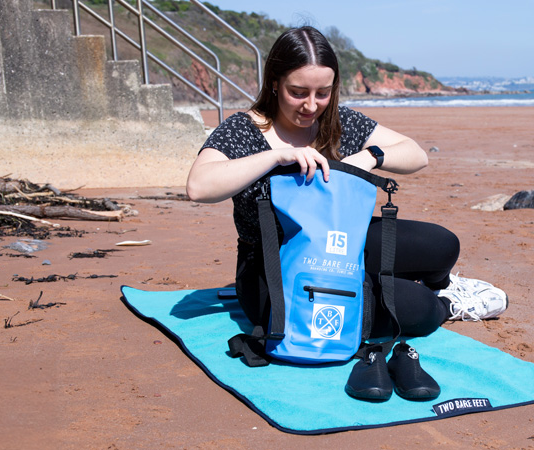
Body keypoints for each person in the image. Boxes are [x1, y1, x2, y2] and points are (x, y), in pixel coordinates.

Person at [186, 26, 507, 339]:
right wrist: (276, 157)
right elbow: (199, 187)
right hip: (274, 266)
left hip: (338, 240)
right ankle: (446, 304)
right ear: (274, 82)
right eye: (297, 92)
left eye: (322, 93)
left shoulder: (336, 122)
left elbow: (416, 154)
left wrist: (370, 156)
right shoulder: (244, 129)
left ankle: (440, 282)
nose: (311, 106)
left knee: (443, 245)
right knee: (419, 308)